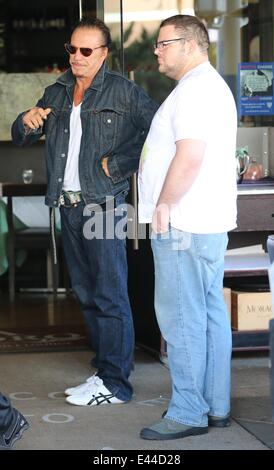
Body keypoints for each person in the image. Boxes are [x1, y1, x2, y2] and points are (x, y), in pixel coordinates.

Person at [12, 17, 157, 407]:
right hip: (69, 205)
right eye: (72, 49)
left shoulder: (125, 93)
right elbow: (21, 132)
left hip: (103, 205)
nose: (77, 57)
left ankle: (116, 383)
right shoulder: (57, 91)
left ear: (104, 54)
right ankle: (104, 371)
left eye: (86, 50)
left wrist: (122, 163)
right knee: (87, 293)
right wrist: (25, 122)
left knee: (109, 294)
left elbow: (159, 132)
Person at [138, 15, 237, 440]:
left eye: (164, 43)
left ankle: (188, 411)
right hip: (203, 222)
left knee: (182, 320)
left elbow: (190, 156)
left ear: (192, 44)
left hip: (183, 222)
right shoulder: (206, 87)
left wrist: (164, 204)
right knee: (209, 313)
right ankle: (214, 405)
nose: (156, 50)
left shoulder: (196, 90)